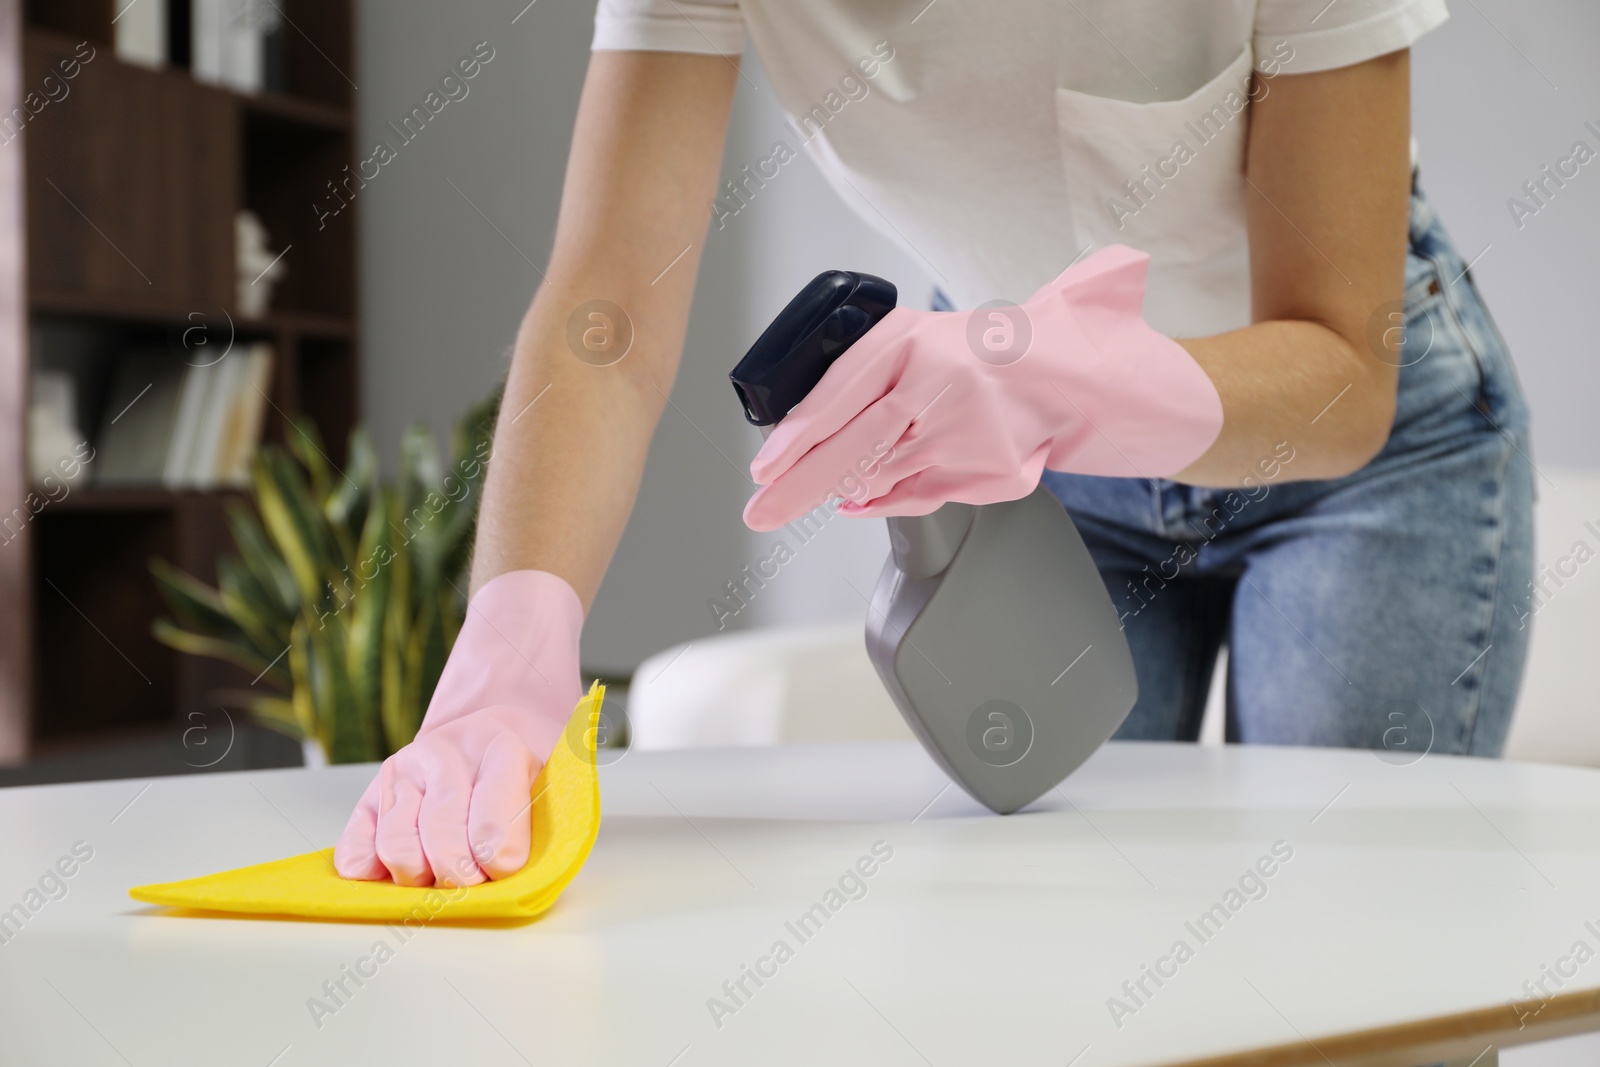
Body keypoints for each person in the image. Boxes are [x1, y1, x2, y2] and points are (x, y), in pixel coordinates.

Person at [335, 0, 1533, 887]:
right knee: (1074, 938)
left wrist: (1050, 374)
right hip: (1039, 452)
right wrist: (510, 646)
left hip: (1358, 460)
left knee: (1357, 946)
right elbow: (609, 309)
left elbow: (1344, 370)